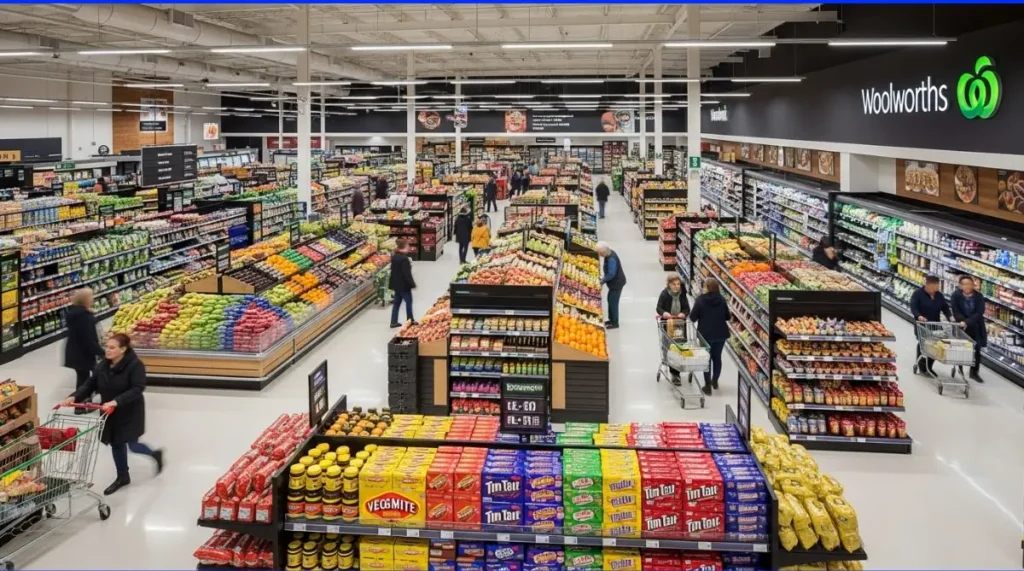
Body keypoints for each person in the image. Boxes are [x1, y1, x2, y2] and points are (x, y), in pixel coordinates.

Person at [61, 333, 163, 495]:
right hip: (109, 410)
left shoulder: (135, 365)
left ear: (123, 349)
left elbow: (138, 388)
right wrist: (73, 396)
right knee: (116, 443)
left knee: (132, 445)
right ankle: (122, 476)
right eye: (106, 347)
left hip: (129, 410)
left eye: (112, 347)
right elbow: (90, 384)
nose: (107, 350)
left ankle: (154, 454)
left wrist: (116, 401)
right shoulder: (103, 365)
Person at [64, 288, 104, 415]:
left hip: (76, 352)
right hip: (81, 354)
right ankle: (79, 406)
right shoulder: (83, 316)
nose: (93, 299)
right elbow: (87, 338)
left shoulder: (76, 312)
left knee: (85, 378)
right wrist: (101, 352)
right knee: (84, 380)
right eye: (91, 297)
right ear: (85, 299)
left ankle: (83, 402)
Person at [689, 278, 731, 395]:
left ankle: (707, 386)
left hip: (705, 335)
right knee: (717, 357)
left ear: (707, 288)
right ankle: (715, 380)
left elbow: (692, 318)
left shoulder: (700, 300)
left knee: (706, 359)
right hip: (721, 334)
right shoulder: (722, 299)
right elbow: (727, 316)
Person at [910, 275, 952, 376]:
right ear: (927, 285)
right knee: (924, 343)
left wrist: (950, 317)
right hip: (922, 324)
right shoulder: (917, 294)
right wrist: (919, 316)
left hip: (935, 324)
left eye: (937, 286)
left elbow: (945, 307)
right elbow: (913, 307)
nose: (936, 289)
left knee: (937, 345)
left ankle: (929, 366)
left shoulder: (939, 295)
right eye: (934, 286)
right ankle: (921, 366)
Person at [951, 274, 987, 383]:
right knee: (961, 348)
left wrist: (967, 322)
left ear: (973, 285)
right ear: (960, 286)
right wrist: (961, 321)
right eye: (964, 284)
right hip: (961, 327)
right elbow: (955, 310)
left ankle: (974, 372)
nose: (967, 286)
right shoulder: (955, 296)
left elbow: (979, 312)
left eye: (970, 284)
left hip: (975, 326)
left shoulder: (979, 296)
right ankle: (960, 368)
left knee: (976, 350)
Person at [656, 275, 691, 385]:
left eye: (678, 284)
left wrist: (683, 313)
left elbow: (687, 308)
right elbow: (658, 308)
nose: (676, 287)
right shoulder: (664, 294)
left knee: (679, 347)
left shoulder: (682, 294)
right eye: (674, 284)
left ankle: (676, 371)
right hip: (668, 324)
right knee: (671, 347)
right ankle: (674, 373)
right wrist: (664, 313)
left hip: (680, 325)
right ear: (669, 285)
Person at [596, 242, 626, 330]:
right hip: (614, 283)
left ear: (604, 251)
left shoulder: (611, 259)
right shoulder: (609, 254)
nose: (599, 254)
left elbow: (611, 274)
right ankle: (611, 320)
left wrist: (602, 281)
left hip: (617, 283)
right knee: (610, 299)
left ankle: (615, 323)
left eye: (600, 253)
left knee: (613, 302)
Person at [389, 238, 417, 328]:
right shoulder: (404, 259)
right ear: (405, 246)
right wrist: (412, 284)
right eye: (408, 245)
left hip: (396, 284)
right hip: (404, 285)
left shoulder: (394, 256)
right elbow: (407, 274)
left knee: (396, 303)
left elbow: (393, 271)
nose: (409, 247)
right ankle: (410, 320)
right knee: (409, 302)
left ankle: (393, 322)